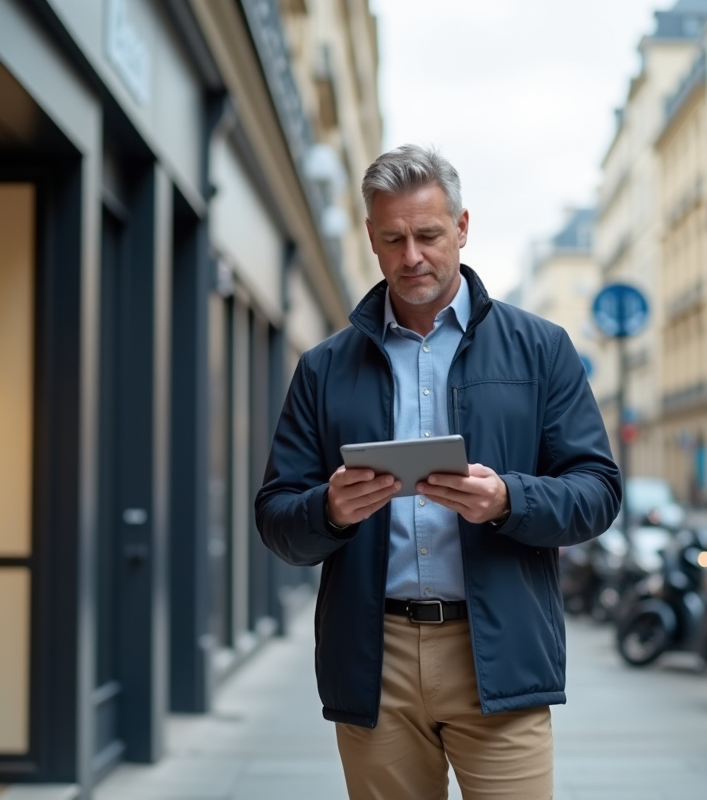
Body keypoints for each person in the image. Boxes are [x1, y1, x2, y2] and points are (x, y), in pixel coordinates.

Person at [255, 144, 621, 800]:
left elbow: (597, 491)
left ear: (462, 227)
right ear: (370, 236)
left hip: (500, 654)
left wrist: (510, 499)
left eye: (427, 234)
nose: (411, 256)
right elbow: (277, 519)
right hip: (376, 657)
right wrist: (330, 511)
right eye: (392, 238)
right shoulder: (324, 368)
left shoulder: (542, 348)